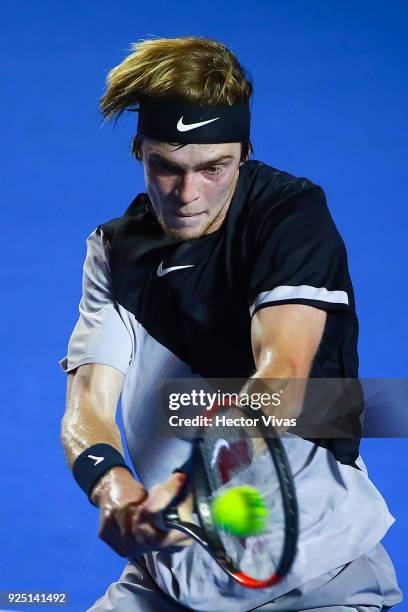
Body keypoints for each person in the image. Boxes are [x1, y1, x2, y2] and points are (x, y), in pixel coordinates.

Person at [59, 36, 402, 611]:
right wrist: (110, 486)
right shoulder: (112, 251)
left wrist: (191, 488)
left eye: (213, 167)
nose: (188, 194)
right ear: (138, 151)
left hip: (314, 579)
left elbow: (284, 382)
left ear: (243, 152)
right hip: (168, 583)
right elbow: (88, 405)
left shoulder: (290, 215)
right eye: (165, 166)